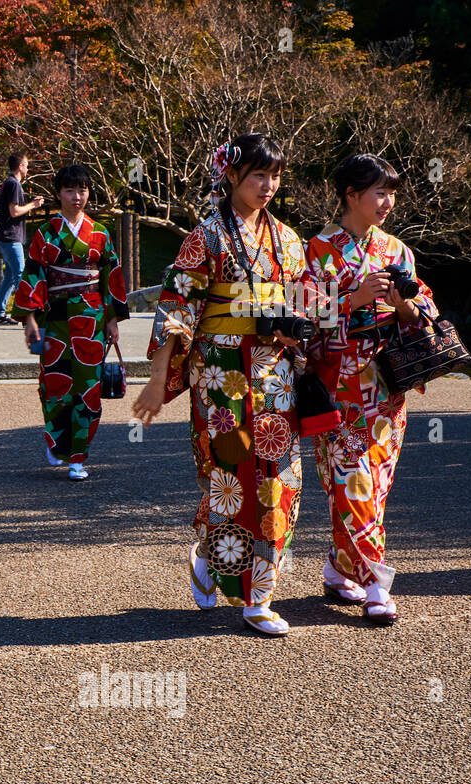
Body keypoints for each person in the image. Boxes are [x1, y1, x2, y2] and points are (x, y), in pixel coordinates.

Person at [132, 133, 316, 636]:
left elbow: (309, 303)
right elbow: (176, 306)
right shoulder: (206, 235)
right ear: (231, 175)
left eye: (275, 176)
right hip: (220, 374)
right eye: (258, 174)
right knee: (229, 476)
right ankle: (219, 567)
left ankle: (259, 595)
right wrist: (155, 379)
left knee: (281, 478)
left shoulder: (288, 239)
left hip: (274, 372)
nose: (268, 185)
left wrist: (295, 326)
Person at [303, 154, 438, 625]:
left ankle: (342, 570)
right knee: (351, 481)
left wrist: (405, 307)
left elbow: (423, 312)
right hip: (339, 385)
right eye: (378, 192)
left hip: (386, 386)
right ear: (350, 195)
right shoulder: (316, 250)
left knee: (372, 486)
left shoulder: (397, 251)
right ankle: (378, 584)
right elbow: (302, 322)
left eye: (391, 192)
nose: (387, 201)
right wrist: (353, 299)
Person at [15, 164, 128, 480]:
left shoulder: (101, 233)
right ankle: (56, 441)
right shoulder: (45, 234)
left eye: (82, 190)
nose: (77, 197)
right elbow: (34, 274)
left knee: (88, 388)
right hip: (56, 318)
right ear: (58, 194)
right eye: (69, 190)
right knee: (54, 386)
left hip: (91, 320)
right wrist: (29, 319)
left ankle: (78, 457)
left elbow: (112, 277)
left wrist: (113, 318)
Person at [0, 150, 45, 324]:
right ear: (20, 166)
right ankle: (26, 315)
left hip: (5, 236)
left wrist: (30, 204)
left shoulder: (10, 183)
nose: (28, 169)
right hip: (10, 237)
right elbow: (14, 211)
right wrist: (33, 205)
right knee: (20, 275)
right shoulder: (14, 183)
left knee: (9, 276)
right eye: (27, 165)